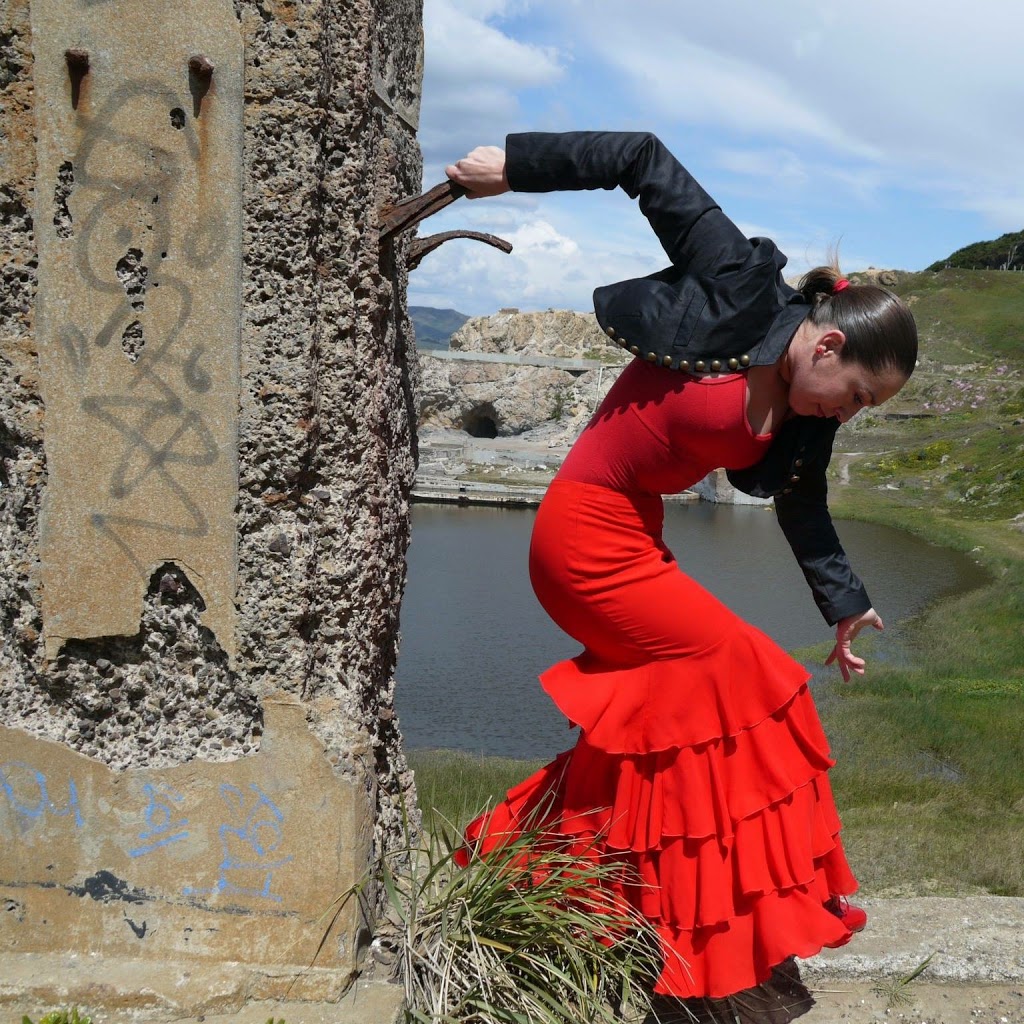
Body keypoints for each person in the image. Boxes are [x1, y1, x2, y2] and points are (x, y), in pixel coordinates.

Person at [445, 132, 918, 1021]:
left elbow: (803, 510)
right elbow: (641, 157)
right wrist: (514, 168)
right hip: (581, 532)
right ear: (823, 346)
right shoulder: (737, 283)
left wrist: (846, 608)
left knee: (680, 728)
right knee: (757, 682)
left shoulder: (804, 421)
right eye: (854, 394)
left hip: (637, 536)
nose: (848, 414)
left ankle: (584, 894)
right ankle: (704, 949)